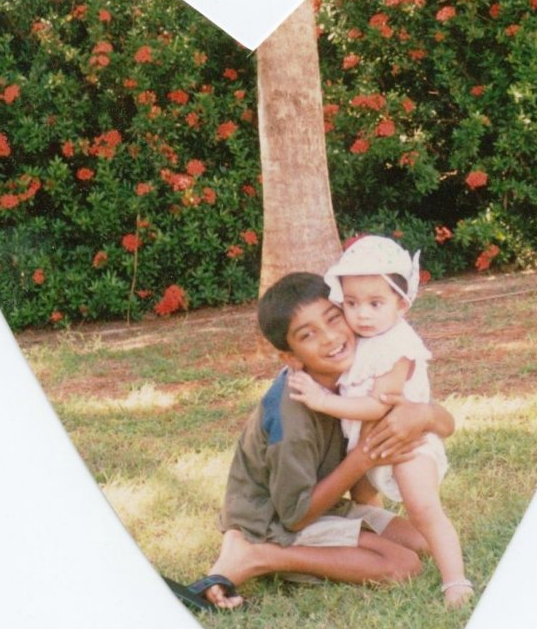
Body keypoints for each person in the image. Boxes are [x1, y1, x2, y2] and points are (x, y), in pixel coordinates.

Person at [169, 271, 455, 612]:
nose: (331, 337)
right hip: (273, 520)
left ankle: (268, 549)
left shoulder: (362, 368)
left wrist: (423, 414)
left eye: (333, 318)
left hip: (323, 503)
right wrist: (364, 458)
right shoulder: (295, 418)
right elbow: (295, 516)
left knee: (423, 540)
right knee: (402, 565)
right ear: (292, 357)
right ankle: (259, 555)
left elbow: (446, 425)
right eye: (308, 335)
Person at [288, 236, 473, 608]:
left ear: (402, 304)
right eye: (351, 303)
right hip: (366, 442)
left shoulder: (399, 345)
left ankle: (455, 581)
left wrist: (323, 401)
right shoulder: (359, 335)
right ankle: (385, 538)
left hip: (405, 442)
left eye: (375, 304)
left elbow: (378, 405)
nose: (362, 315)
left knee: (423, 507)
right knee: (363, 498)